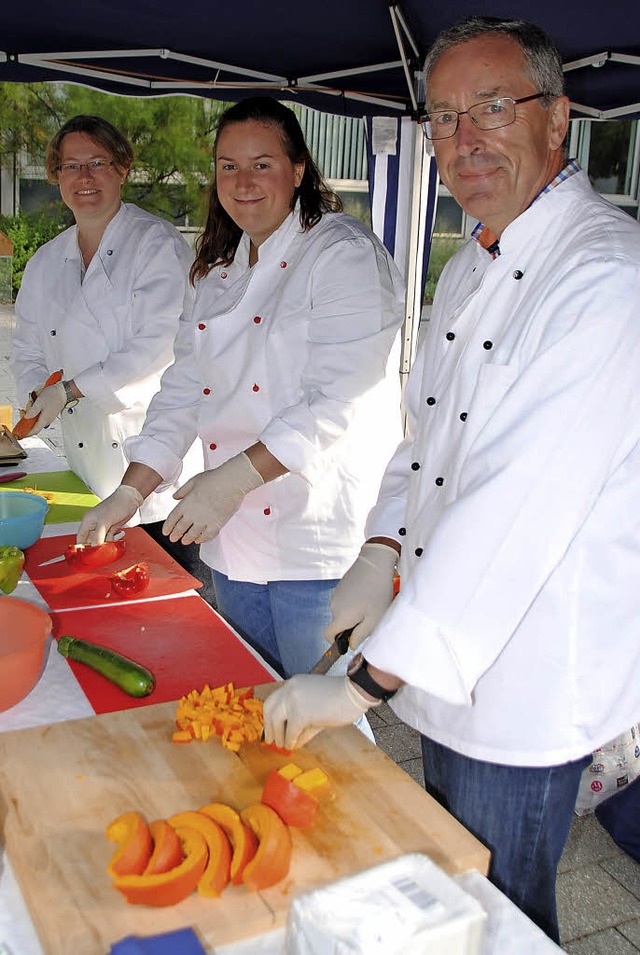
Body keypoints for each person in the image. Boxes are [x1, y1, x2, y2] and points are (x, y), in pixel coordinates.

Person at [263, 15, 640, 943]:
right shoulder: (472, 259)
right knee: (449, 878)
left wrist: (360, 687)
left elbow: (518, 505)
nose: (463, 139)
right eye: (441, 118)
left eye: (491, 108)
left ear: (559, 120)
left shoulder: (602, 278)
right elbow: (422, 443)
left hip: (523, 675)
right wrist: (380, 550)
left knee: (497, 906)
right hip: (437, 648)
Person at [77, 97, 404, 677]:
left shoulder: (343, 253)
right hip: (232, 539)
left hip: (316, 538)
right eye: (228, 166)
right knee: (249, 698)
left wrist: (231, 481)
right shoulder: (219, 269)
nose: (243, 182)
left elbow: (338, 400)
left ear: (298, 170)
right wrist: (131, 492)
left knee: (324, 723)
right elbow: (182, 389)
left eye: (261, 164)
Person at [10, 114, 213, 598]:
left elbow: (161, 346)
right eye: (70, 166)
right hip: (90, 464)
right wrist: (38, 395)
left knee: (178, 608)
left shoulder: (156, 244)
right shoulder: (46, 261)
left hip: (161, 471)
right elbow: (27, 347)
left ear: (122, 168)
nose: (84, 178)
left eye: (97, 163)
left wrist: (72, 390)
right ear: (55, 175)